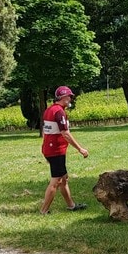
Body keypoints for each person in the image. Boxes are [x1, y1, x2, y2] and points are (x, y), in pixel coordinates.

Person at [40, 85, 90, 214]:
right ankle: (44, 211)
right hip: (55, 151)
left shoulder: (49, 110)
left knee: (64, 178)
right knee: (56, 181)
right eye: (70, 96)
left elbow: (46, 132)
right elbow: (65, 133)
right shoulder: (59, 112)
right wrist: (80, 149)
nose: (71, 99)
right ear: (64, 97)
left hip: (50, 149)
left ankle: (71, 205)